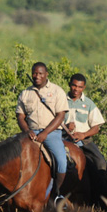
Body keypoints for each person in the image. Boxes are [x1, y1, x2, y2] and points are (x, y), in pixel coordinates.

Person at [16, 62, 69, 201]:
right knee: (11, 155)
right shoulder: (25, 93)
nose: (37, 76)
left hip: (51, 133)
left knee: (61, 161)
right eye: (34, 73)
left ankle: (56, 194)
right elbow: (20, 116)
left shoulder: (57, 91)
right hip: (30, 133)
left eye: (40, 73)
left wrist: (45, 133)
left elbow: (60, 116)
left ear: (46, 74)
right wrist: (27, 131)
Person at [64, 73, 107, 193]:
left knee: (101, 162)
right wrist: (66, 127)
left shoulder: (88, 104)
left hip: (85, 140)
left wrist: (83, 135)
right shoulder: (61, 101)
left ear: (83, 88)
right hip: (64, 139)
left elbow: (96, 127)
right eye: (74, 86)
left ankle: (102, 196)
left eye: (79, 87)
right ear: (70, 85)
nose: (76, 89)